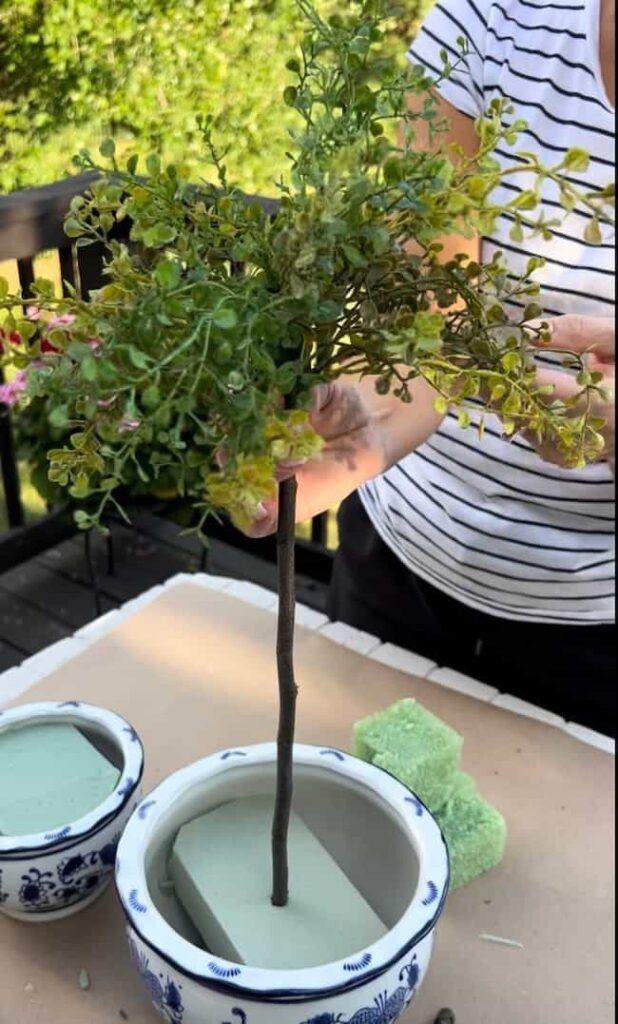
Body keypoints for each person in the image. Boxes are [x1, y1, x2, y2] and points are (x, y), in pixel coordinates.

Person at [249, 0, 616, 734]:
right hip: (397, 560)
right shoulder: (496, 16)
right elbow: (424, 322)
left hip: (596, 639)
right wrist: (358, 429)